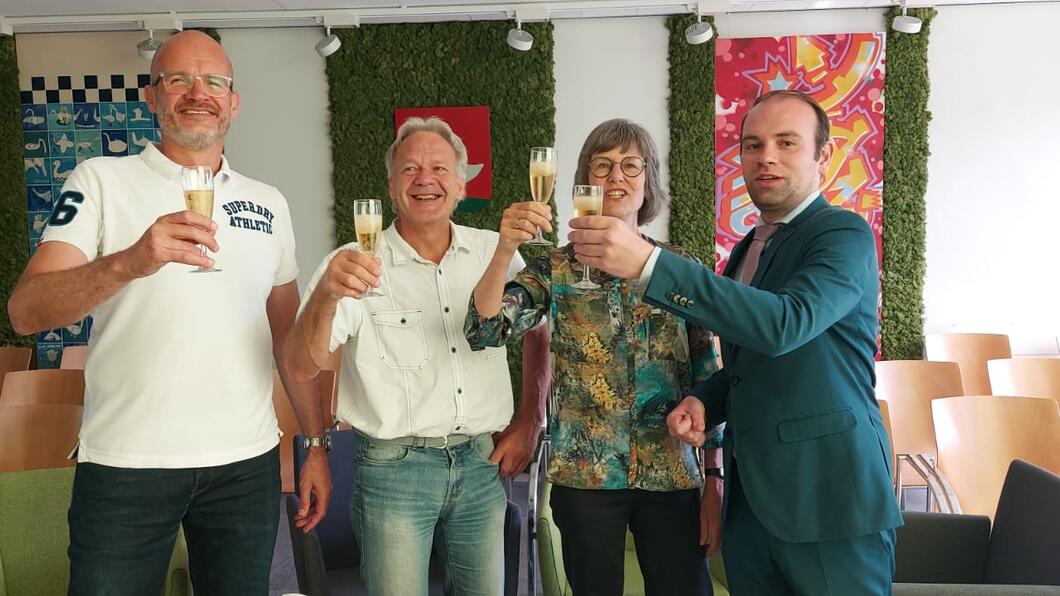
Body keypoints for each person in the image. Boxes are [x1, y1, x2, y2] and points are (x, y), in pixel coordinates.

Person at [7, 31, 332, 595]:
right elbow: (27, 311)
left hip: (245, 466)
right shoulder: (98, 181)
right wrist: (130, 262)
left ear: (234, 101)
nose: (197, 92)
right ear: (152, 97)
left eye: (214, 82)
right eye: (178, 79)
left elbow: (288, 341)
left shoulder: (269, 202)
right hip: (125, 465)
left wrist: (316, 445)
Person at [568, 91, 902, 595]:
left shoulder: (843, 234)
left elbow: (784, 325)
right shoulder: (748, 248)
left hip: (828, 501)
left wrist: (649, 264)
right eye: (752, 144)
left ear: (822, 157)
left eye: (786, 142)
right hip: (752, 509)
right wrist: (706, 399)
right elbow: (751, 364)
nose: (765, 156)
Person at [284, 116, 549, 595]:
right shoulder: (350, 265)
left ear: (461, 184)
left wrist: (530, 418)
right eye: (410, 170)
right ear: (391, 187)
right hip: (393, 472)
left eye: (439, 168)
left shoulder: (499, 253)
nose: (425, 179)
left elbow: (539, 331)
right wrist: (325, 295)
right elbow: (302, 366)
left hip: (481, 463)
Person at [465, 119, 724, 596]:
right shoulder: (554, 268)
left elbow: (710, 378)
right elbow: (485, 329)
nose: (617, 177)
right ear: (585, 181)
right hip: (587, 479)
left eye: (631, 165)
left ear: (648, 183)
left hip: (672, 474)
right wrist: (505, 249)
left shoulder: (682, 268)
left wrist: (713, 477)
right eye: (602, 166)